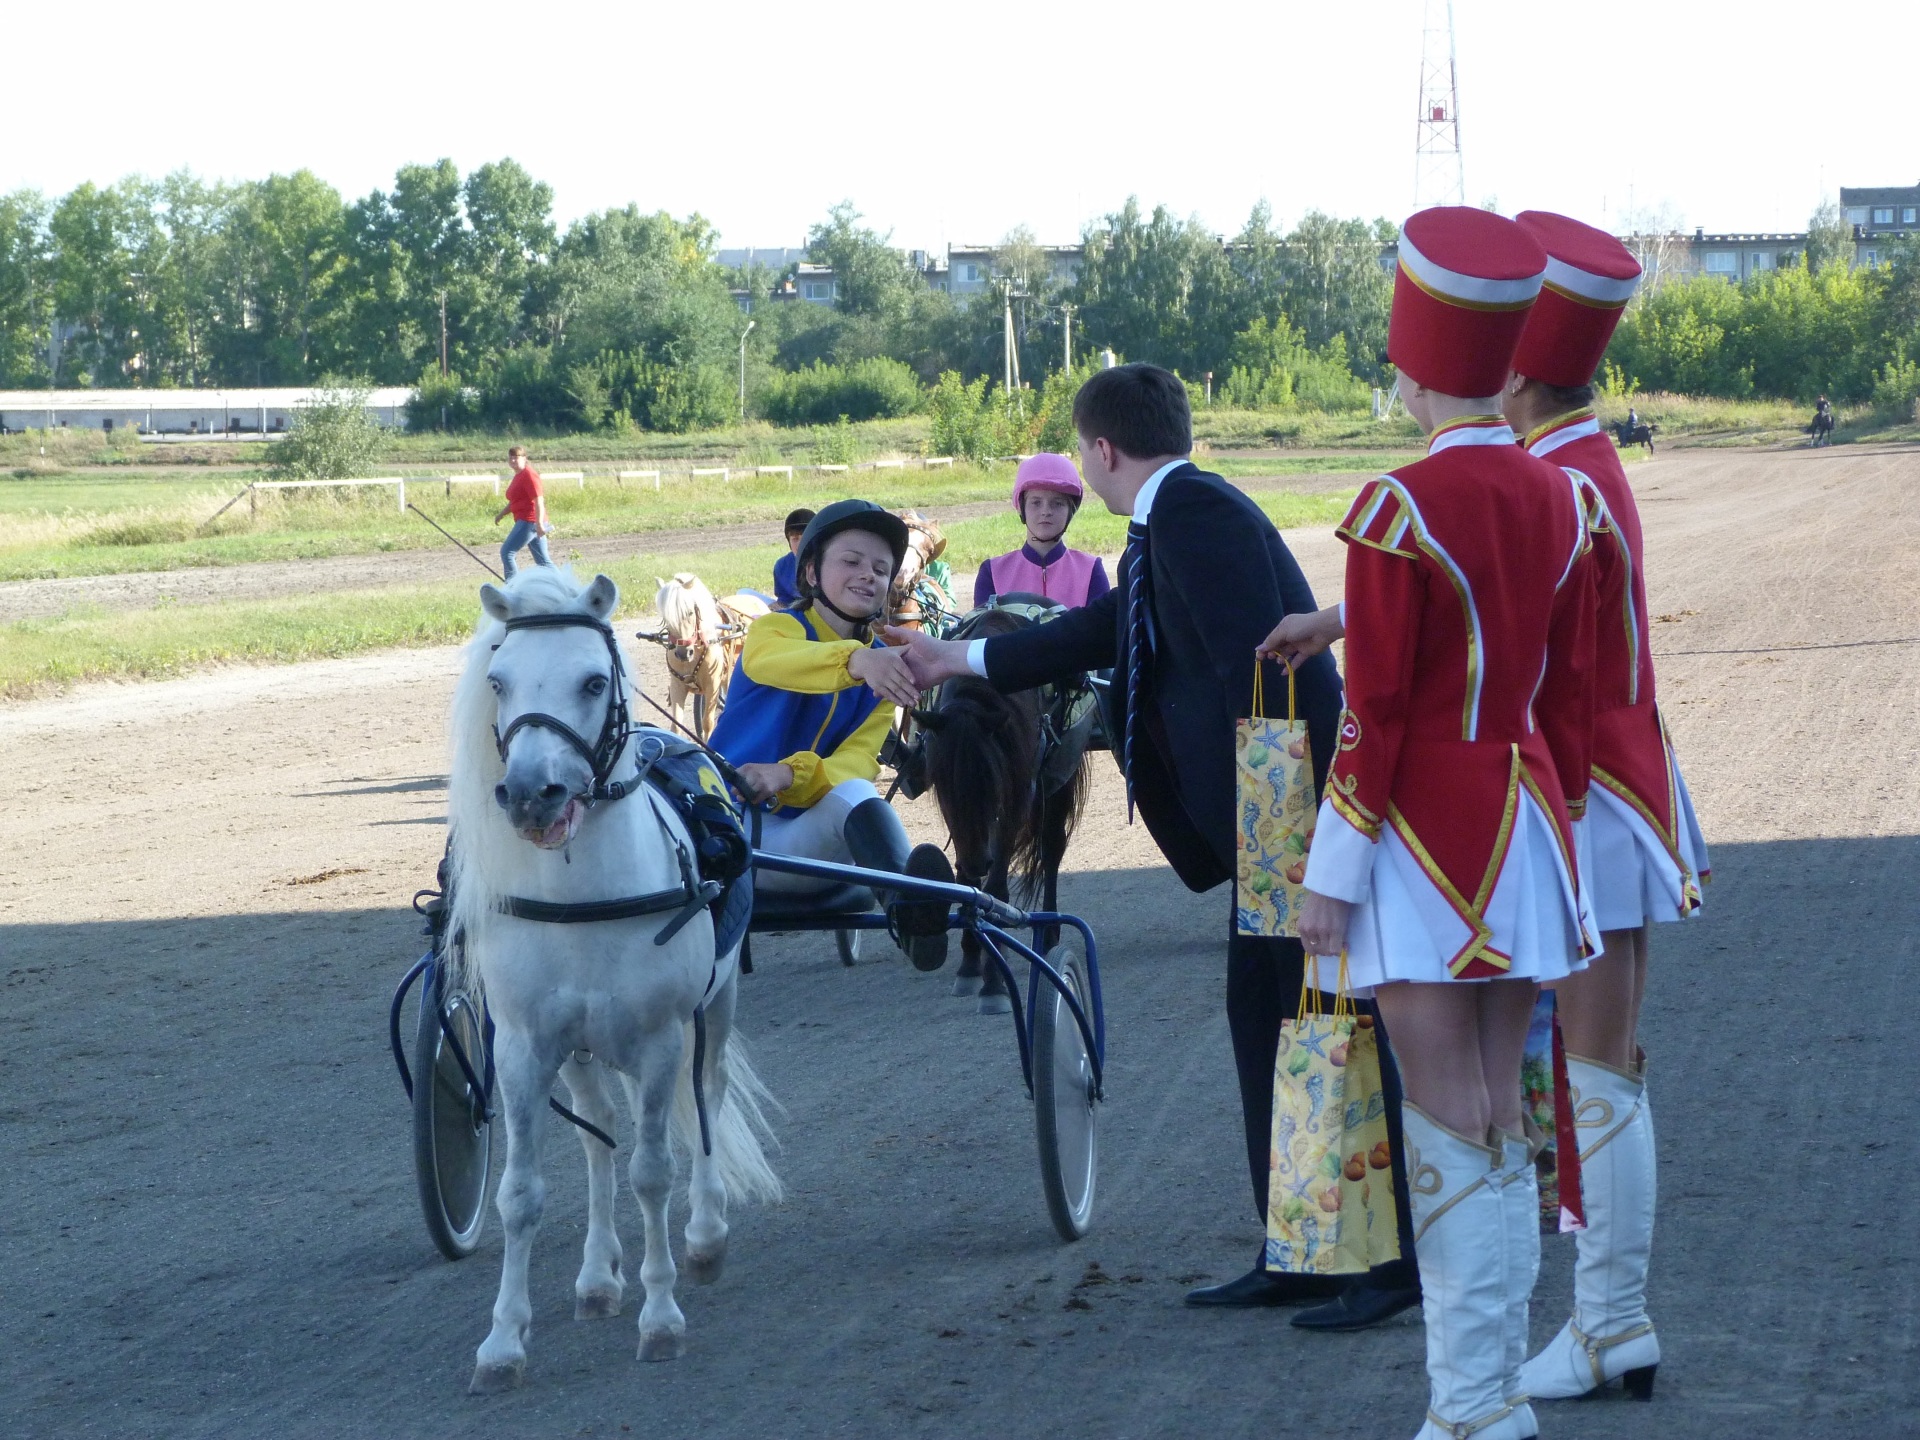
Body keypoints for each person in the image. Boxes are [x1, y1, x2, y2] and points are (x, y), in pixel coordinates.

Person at [883, 364, 1420, 1317]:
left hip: (1282, 810)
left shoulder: (1196, 515)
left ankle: (1382, 1265)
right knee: (1269, 1020)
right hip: (1270, 816)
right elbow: (1100, 631)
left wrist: (1292, 836)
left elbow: (1265, 666)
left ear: (1101, 449)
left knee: (1321, 1023)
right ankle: (1302, 1247)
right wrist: (957, 655)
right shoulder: (1169, 520)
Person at [1290, 207, 1597, 1440]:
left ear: (1415, 371)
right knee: (1499, 1112)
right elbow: (1568, 698)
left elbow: (1371, 714)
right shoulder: (1562, 495)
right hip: (1526, 827)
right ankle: (1493, 1394)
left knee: (1445, 1114)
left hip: (1420, 841)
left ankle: (1471, 1407)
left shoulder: (1396, 505)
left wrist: (1331, 869)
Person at [1502, 210, 1708, 1405]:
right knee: (1607, 1067)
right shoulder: (1585, 462)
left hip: (1586, 796)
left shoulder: (1554, 480)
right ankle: (1612, 1321)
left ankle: (1609, 1321)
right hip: (1621, 786)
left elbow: (1496, 633)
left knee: (1596, 1071)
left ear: (1518, 375)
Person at [708, 499, 953, 970]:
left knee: (858, 789)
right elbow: (777, 663)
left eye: (881, 569)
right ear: (812, 573)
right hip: (732, 837)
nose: (868, 575)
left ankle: (910, 912)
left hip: (810, 844)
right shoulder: (773, 632)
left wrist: (789, 775)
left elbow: (858, 761)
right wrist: (857, 660)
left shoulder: (886, 668)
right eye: (851, 561)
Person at [974, 453, 1112, 609]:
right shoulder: (992, 572)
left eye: (1057, 503)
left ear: (1070, 510)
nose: (1046, 511)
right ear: (1021, 507)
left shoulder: (1091, 570)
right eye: (1036, 502)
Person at [492, 446, 552, 580]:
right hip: (530, 521)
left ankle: (512, 587)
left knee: (507, 552)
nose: (513, 460)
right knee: (543, 561)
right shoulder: (519, 475)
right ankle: (563, 587)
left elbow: (539, 500)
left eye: (516, 457)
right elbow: (516, 500)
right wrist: (502, 514)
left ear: (525, 458)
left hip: (529, 521)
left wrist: (539, 524)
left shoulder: (529, 475)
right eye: (511, 457)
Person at [772, 508, 815, 608]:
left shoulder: (826, 563)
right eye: (795, 539)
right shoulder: (782, 566)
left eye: (804, 538)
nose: (800, 544)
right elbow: (784, 598)